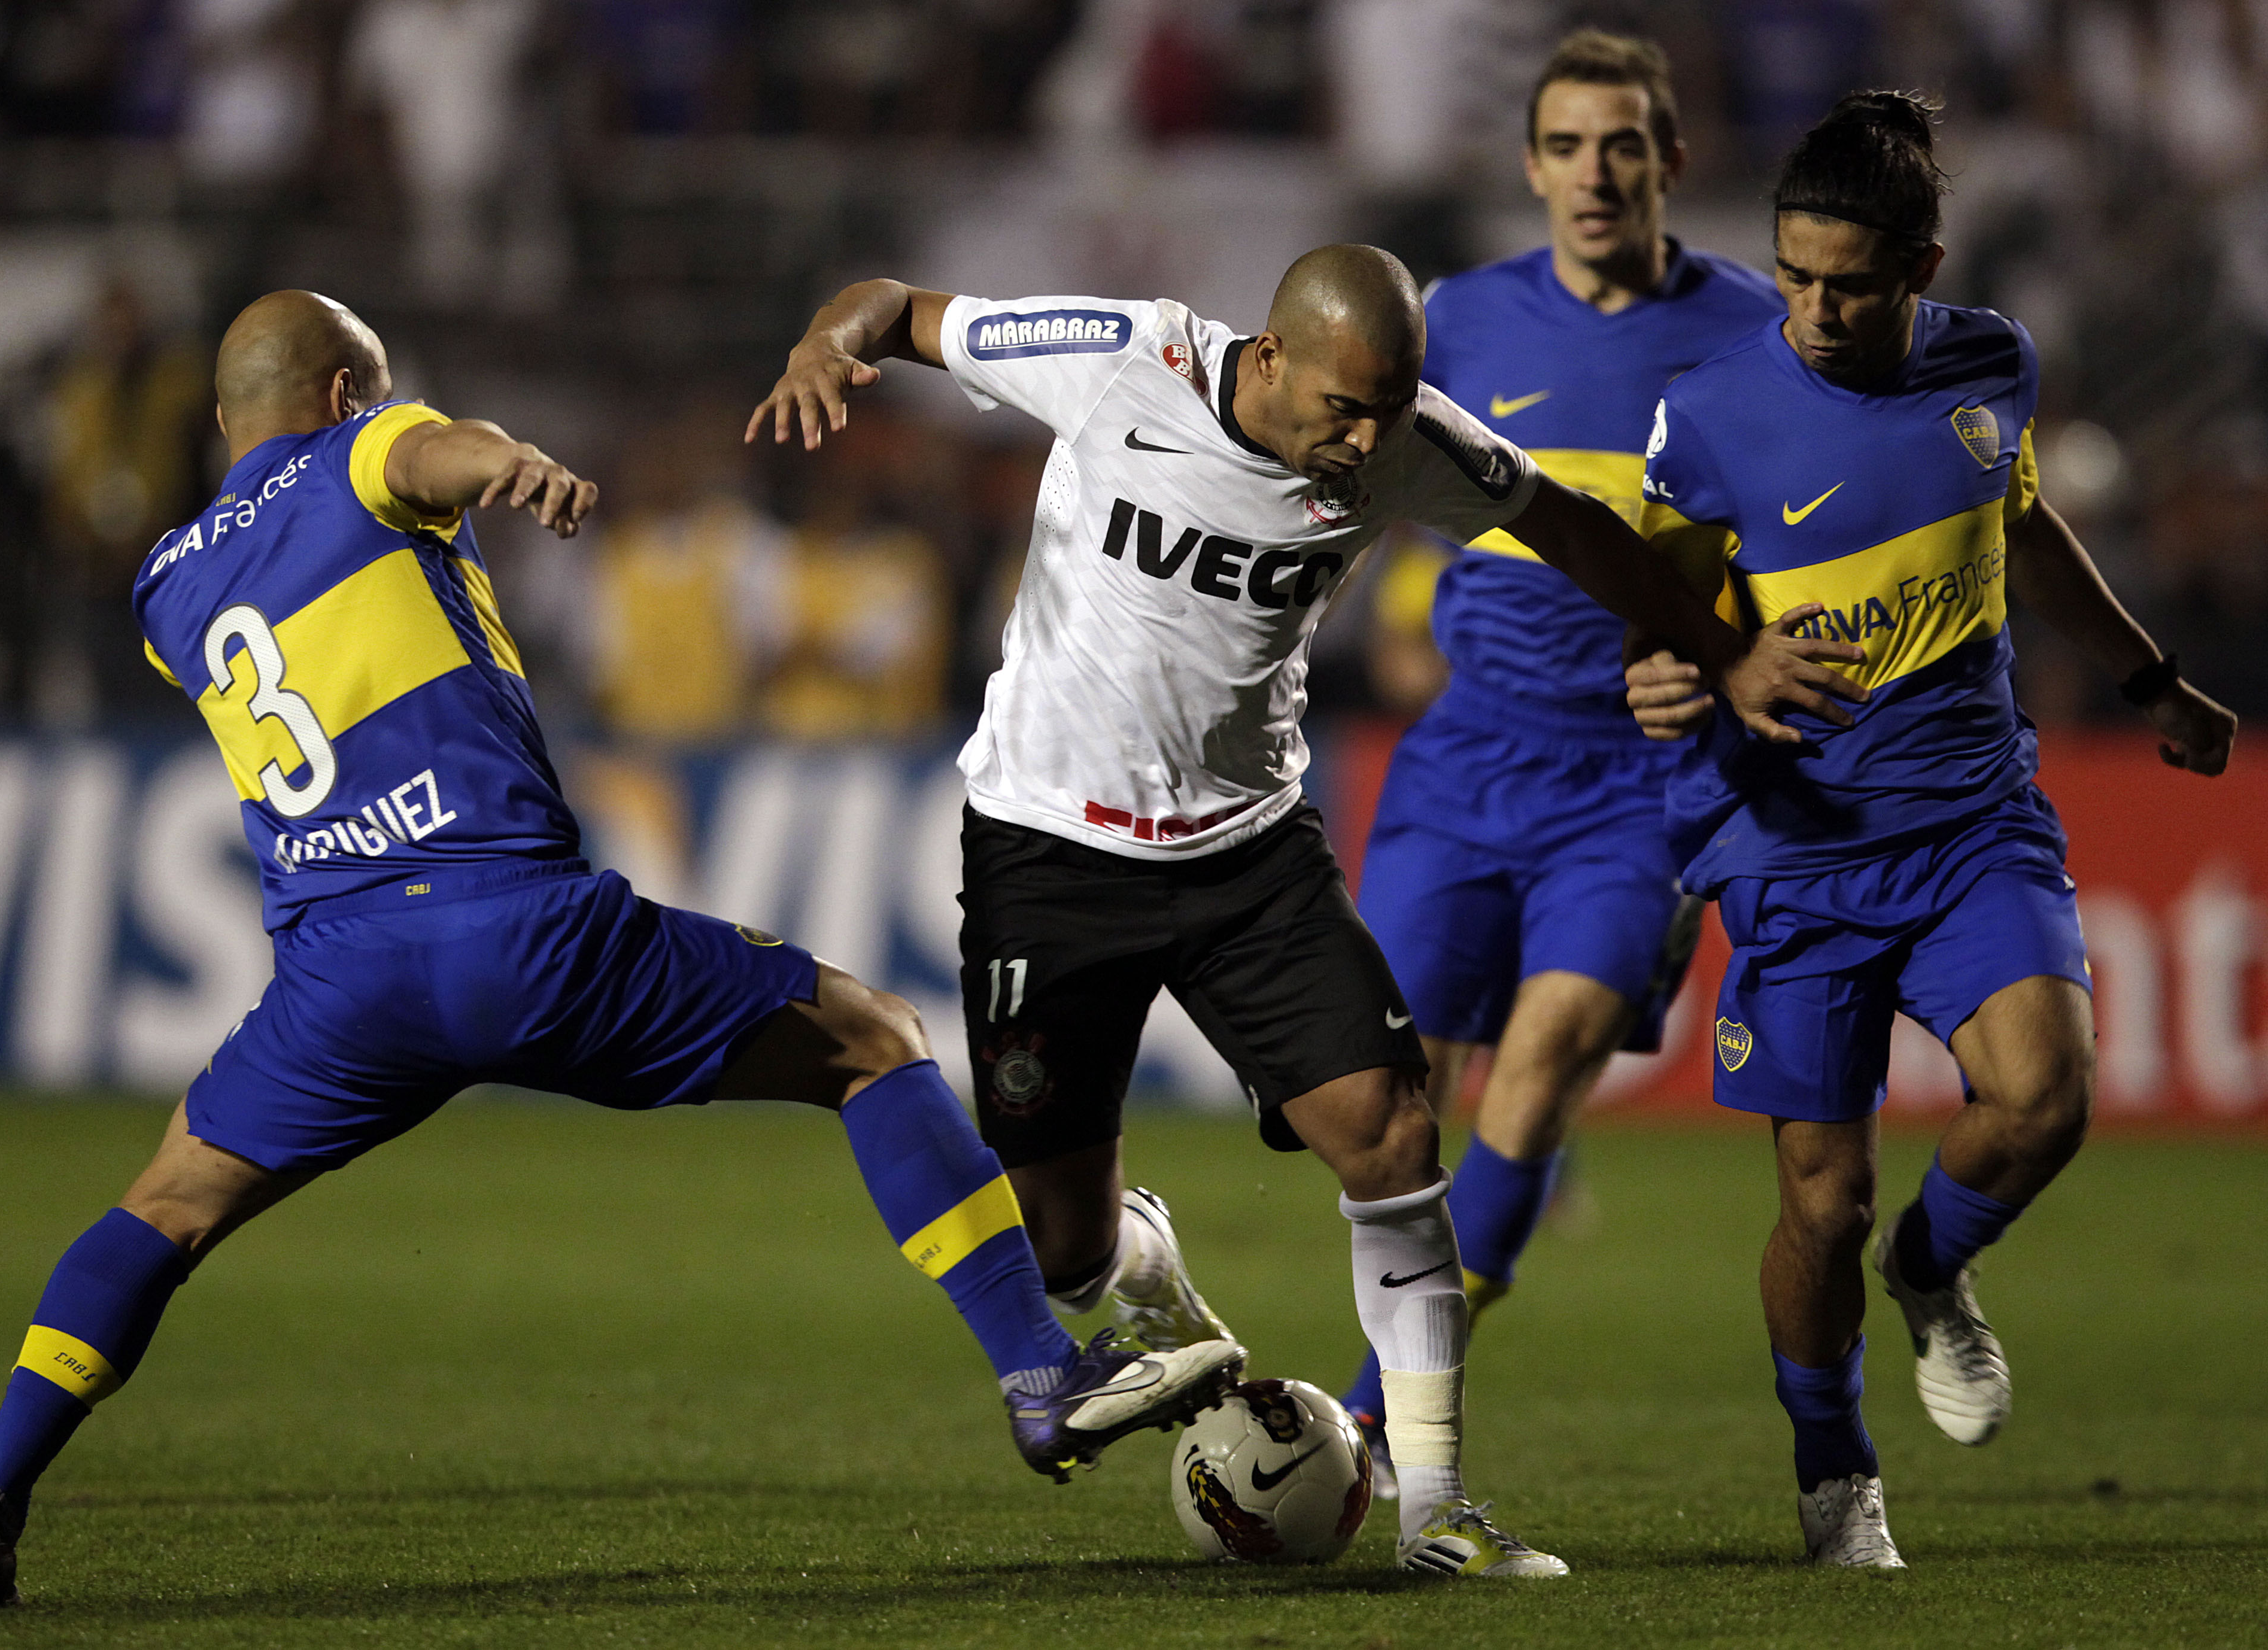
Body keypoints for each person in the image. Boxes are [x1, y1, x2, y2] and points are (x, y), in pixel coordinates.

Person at [0, 291, 1243, 1611]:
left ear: (222, 423)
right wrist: (506, 460)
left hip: (340, 982)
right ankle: (1036, 1372)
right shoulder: (368, 454)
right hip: (515, 929)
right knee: (872, 1037)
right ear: (342, 399)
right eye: (376, 399)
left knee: (162, 1207)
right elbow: (427, 453)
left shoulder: (166, 584)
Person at [750, 244, 1862, 1576]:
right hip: (1048, 852)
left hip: (1246, 856)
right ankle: (1145, 1262)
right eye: (1343, 407)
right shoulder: (1116, 358)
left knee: (1393, 1135)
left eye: (1388, 410)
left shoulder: (1407, 443)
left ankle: (1437, 1501)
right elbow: (904, 308)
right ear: (1268, 358)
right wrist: (831, 341)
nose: (1362, 439)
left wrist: (1722, 645)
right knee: (1061, 1245)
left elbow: (1566, 522)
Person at [1623, 93, 2236, 1567]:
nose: (1814, 310)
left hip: (1971, 815)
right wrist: (1699, 664)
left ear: (1919, 266)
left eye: (1846, 281)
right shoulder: (1710, 415)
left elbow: (2019, 524)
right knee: (1817, 1206)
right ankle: (1834, 1469)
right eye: (1790, 275)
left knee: (2045, 1098)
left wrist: (2146, 676)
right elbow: (1651, 612)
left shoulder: (1990, 366)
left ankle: (1930, 1266)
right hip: (1793, 841)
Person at [1334, 30, 1788, 1485]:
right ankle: (1413, 1352)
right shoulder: (1454, 320)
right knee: (1379, 1106)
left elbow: (1804, 540)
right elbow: (1346, 485)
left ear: (1669, 159)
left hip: (1636, 782)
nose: (1594, 174)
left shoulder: (1748, 333)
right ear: (1529, 167)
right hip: (1464, 755)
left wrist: (1718, 645)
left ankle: (1366, 1429)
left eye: (1621, 145)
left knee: (1537, 1069)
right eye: (1567, 146)